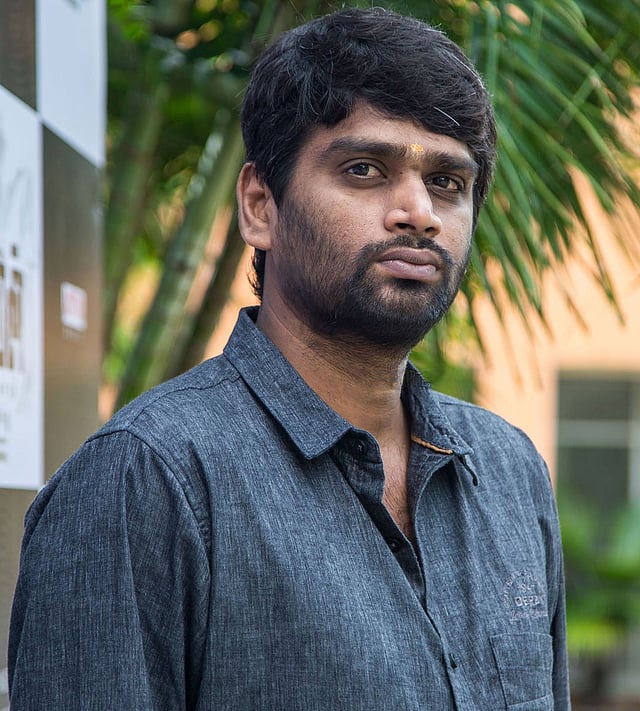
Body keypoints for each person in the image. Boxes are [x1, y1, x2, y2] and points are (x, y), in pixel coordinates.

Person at [8, 7, 570, 710]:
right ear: (260, 206)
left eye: (447, 183)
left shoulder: (510, 473)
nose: (418, 212)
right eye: (364, 169)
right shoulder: (145, 480)